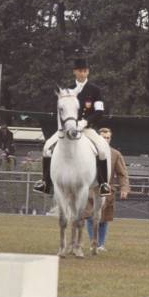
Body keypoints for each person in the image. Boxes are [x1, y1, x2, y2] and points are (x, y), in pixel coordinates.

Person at [34, 57, 111, 195]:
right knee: (47, 148)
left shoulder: (95, 90)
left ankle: (103, 183)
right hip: (67, 129)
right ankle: (45, 182)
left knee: (102, 150)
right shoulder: (67, 90)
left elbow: (99, 112)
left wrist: (85, 122)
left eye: (85, 71)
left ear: (88, 72)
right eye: (80, 71)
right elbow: (61, 110)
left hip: (86, 129)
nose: (83, 74)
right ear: (74, 72)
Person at [84, 127, 130, 252]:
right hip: (89, 189)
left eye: (108, 137)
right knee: (90, 216)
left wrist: (124, 188)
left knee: (104, 219)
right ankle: (93, 242)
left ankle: (101, 244)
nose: (105, 140)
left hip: (107, 189)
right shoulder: (87, 152)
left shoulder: (115, 154)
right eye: (103, 137)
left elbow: (122, 173)